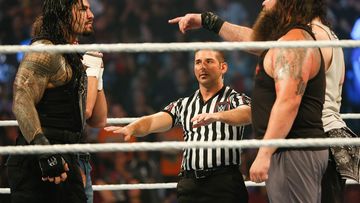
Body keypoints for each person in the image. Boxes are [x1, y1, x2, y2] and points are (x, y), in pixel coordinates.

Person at [169, 1, 360, 203]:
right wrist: (209, 21)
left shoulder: (306, 36)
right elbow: (259, 43)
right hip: (312, 141)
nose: (264, 3)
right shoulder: (319, 33)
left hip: (304, 139)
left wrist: (265, 152)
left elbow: (289, 98)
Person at [105, 49, 251, 203]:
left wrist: (216, 116)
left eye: (209, 61)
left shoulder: (235, 99)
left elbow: (247, 114)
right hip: (190, 184)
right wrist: (132, 128)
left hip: (223, 182)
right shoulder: (184, 104)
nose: (202, 67)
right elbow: (154, 121)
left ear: (223, 67)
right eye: (198, 62)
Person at [7, 0, 107, 202]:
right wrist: (45, 153)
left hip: (65, 157)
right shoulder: (45, 51)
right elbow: (21, 99)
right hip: (38, 161)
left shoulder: (70, 57)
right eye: (82, 9)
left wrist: (97, 76)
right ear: (63, 13)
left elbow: (93, 117)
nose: (91, 15)